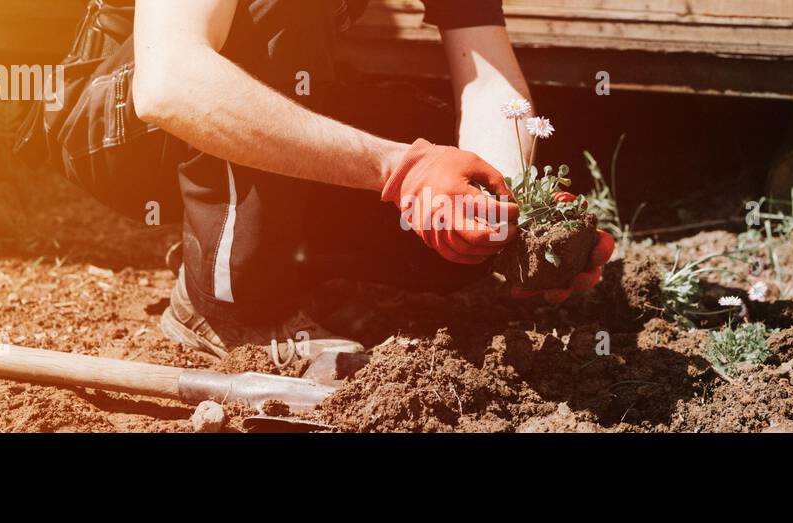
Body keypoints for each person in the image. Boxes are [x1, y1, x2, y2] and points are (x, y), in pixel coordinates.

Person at [131, 0, 612, 365]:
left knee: (454, 227)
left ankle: (277, 264)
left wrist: (503, 212)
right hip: (125, 124)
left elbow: (488, 78)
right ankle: (231, 307)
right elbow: (169, 83)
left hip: (230, 96)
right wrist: (401, 171)